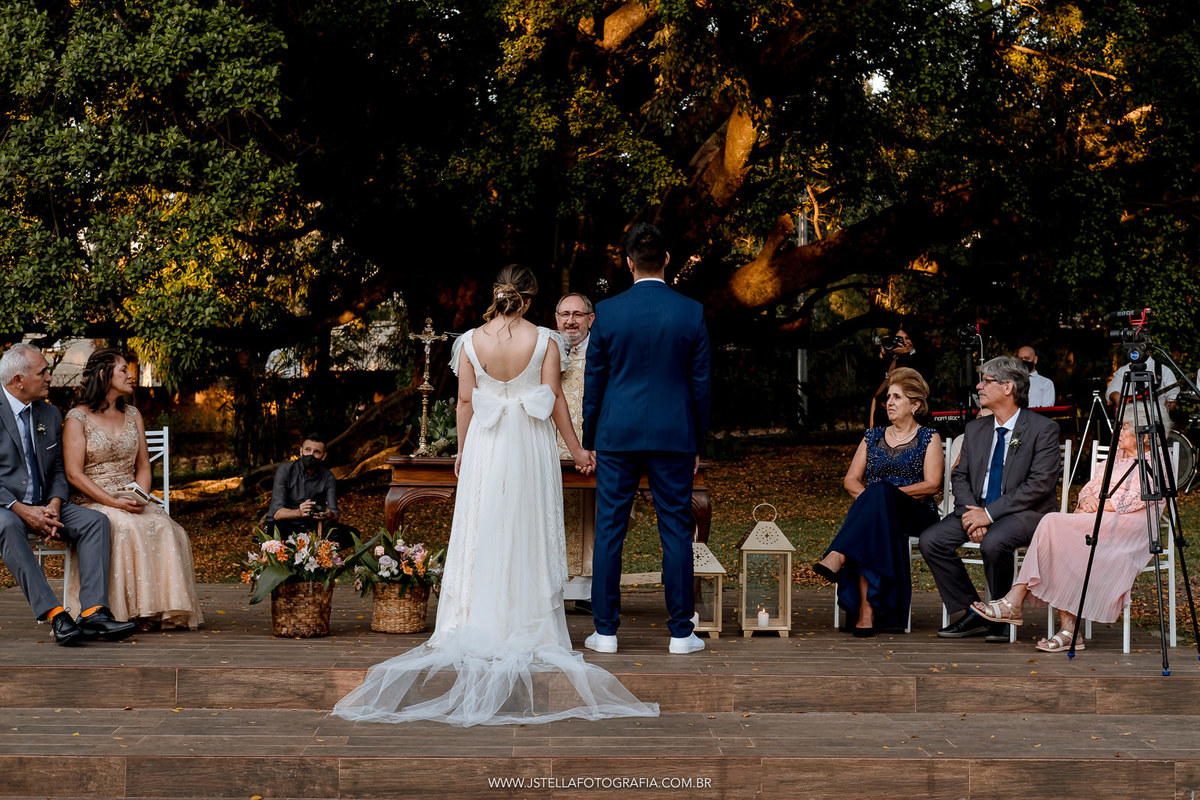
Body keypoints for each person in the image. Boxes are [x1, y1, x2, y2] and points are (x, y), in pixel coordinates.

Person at [333, 265, 657, 726]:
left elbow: (465, 402)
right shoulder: (545, 339)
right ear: (530, 299)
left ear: (498, 294)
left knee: (484, 527)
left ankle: (474, 622)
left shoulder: (468, 341)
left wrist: (463, 451)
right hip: (529, 443)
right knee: (525, 528)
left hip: (485, 443)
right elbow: (557, 400)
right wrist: (581, 448)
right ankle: (530, 625)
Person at [582, 223, 711, 655]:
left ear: (628, 262)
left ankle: (605, 632)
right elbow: (701, 385)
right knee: (675, 529)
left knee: (609, 530)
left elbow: (594, 382)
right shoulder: (691, 311)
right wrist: (698, 443)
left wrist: (590, 436)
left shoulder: (608, 311)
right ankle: (680, 633)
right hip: (675, 435)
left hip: (616, 434)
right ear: (667, 261)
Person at [972, 405, 1167, 652]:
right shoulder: (1117, 455)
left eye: (1125, 427)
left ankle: (1016, 601)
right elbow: (1092, 485)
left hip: (1130, 527)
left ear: (1146, 434)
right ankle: (1067, 631)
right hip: (1097, 518)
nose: (1118, 431)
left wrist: (1102, 503)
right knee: (1062, 542)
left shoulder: (1159, 459)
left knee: (1053, 524)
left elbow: (1139, 498)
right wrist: (1086, 499)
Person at [919, 356, 1061, 641]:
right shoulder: (976, 429)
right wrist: (972, 513)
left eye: (987, 381)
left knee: (995, 541)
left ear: (1008, 387)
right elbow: (959, 475)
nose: (979, 386)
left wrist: (990, 514)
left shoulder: (1043, 429)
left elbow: (1039, 485)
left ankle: (1002, 618)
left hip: (1027, 514)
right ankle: (975, 611)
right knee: (931, 541)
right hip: (977, 509)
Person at [0, 344, 135, 645]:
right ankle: (56, 614)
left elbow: (59, 470)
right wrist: (22, 509)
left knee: (95, 522)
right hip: (6, 506)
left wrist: (55, 504)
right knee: (6, 526)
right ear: (18, 380)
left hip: (47, 503)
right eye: (43, 372)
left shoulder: (48, 413)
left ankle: (93, 613)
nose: (50, 378)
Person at [63, 348, 203, 630]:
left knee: (166, 526)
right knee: (125, 526)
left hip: (130, 495)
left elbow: (143, 466)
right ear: (103, 375)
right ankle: (119, 612)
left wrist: (140, 496)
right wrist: (114, 503)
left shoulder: (133, 414)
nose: (131, 375)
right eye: (123, 370)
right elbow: (73, 474)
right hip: (92, 499)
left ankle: (154, 611)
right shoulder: (76, 418)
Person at [813, 368, 944, 636]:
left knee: (880, 492)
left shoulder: (929, 437)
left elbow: (932, 485)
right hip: (876, 515)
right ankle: (866, 612)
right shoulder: (872, 437)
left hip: (915, 512)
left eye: (897, 397)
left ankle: (839, 554)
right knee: (872, 518)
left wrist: (881, 498)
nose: (890, 403)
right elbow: (850, 480)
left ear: (915, 404)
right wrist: (873, 504)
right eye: (888, 398)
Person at [555, 292, 597, 589]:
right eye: (564, 315)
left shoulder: (602, 352)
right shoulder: (542, 351)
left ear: (590, 320)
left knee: (592, 519)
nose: (571, 321)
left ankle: (587, 589)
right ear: (556, 319)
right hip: (549, 449)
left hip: (590, 449)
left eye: (578, 315)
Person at [266, 433, 354, 547]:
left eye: (316, 452)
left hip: (311, 526)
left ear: (323, 456)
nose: (311, 455)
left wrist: (328, 514)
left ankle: (322, 557)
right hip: (283, 524)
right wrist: (299, 512)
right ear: (301, 451)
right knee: (278, 534)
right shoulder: (285, 470)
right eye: (308, 450)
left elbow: (335, 514)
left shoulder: (328, 477)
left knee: (352, 534)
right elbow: (277, 514)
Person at [867, 327, 924, 427]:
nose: (904, 342)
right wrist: (882, 355)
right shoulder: (890, 360)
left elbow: (918, 386)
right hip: (882, 417)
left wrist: (906, 355)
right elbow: (876, 394)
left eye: (907, 338)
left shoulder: (919, 360)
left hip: (906, 418)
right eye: (898, 339)